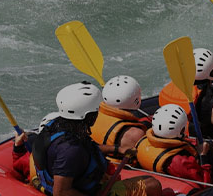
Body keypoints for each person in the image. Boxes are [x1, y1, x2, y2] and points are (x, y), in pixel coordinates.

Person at [21, 82, 162, 196]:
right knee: (152, 185)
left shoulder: (56, 125)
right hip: (81, 190)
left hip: (65, 180)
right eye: (96, 111)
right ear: (88, 116)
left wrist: (117, 149)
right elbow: (61, 192)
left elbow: (87, 148)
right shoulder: (70, 151)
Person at [134, 104, 213, 183]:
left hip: (162, 170)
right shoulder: (178, 162)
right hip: (189, 177)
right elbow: (204, 180)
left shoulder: (144, 141)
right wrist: (203, 155)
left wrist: (211, 142)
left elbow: (177, 143)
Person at [158, 48, 213, 139]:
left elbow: (199, 95)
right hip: (207, 144)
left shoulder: (171, 91)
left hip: (179, 140)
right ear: (212, 73)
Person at [90, 75, 150, 163]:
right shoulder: (135, 134)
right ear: (136, 100)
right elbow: (146, 158)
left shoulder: (89, 117)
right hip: (118, 170)